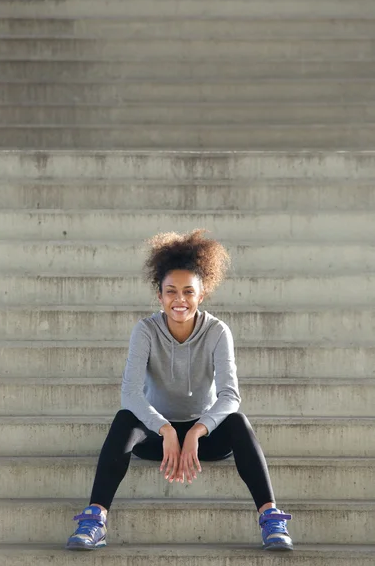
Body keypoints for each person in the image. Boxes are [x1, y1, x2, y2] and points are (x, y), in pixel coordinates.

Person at [66, 229, 293, 552]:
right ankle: (94, 519)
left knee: (239, 421)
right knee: (124, 419)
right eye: (171, 291)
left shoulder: (217, 331)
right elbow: (130, 393)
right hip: (157, 438)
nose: (180, 300)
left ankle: (271, 519)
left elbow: (230, 395)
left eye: (189, 291)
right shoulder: (145, 330)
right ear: (159, 295)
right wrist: (166, 429)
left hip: (205, 440)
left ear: (202, 295)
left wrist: (198, 431)